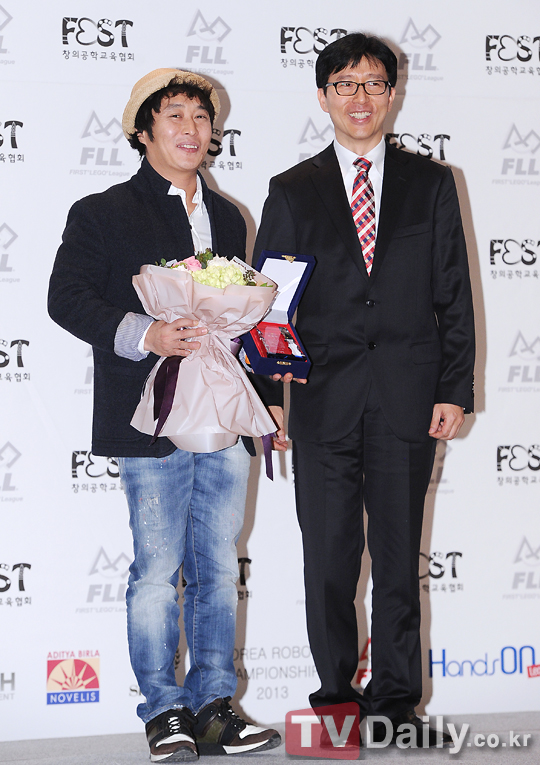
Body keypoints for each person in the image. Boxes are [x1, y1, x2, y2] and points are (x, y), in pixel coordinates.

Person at [48, 68, 281, 762]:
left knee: (218, 566)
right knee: (157, 568)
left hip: (225, 418)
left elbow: (249, 321)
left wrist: (266, 403)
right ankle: (163, 709)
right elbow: (66, 298)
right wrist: (144, 333)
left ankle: (214, 705)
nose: (190, 128)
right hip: (149, 416)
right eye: (174, 115)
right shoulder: (102, 211)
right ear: (143, 130)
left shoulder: (231, 217)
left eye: (201, 117)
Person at [254, 33, 475, 746]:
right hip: (322, 400)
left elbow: (453, 295)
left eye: (373, 83)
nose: (360, 97)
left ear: (392, 93)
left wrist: (454, 387)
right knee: (328, 560)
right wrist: (268, 398)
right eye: (345, 84)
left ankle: (396, 704)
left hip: (409, 399)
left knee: (400, 563)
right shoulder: (292, 190)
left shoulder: (431, 184)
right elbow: (267, 305)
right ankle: (336, 702)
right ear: (323, 97)